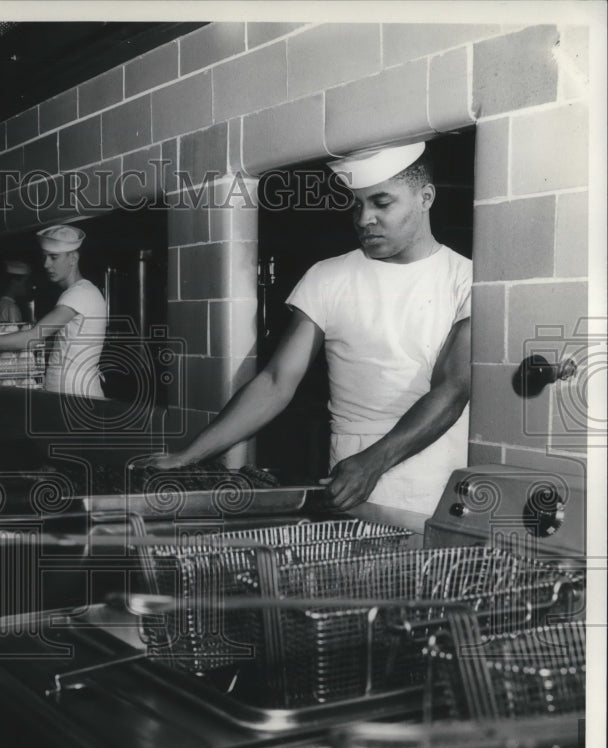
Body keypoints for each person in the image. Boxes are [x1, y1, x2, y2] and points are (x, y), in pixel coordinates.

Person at [141, 141, 470, 515]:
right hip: (348, 474)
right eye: (357, 204)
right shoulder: (327, 276)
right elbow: (276, 382)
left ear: (425, 197)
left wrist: (374, 463)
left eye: (381, 203)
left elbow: (453, 390)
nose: (364, 219)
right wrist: (188, 456)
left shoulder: (467, 279)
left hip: (434, 472)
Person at [0, 224, 107, 398]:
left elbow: (32, 338)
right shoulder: (83, 292)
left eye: (53, 257)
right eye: (44, 257)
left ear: (73, 258)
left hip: (74, 392)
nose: (46, 264)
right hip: (72, 390)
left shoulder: (79, 294)